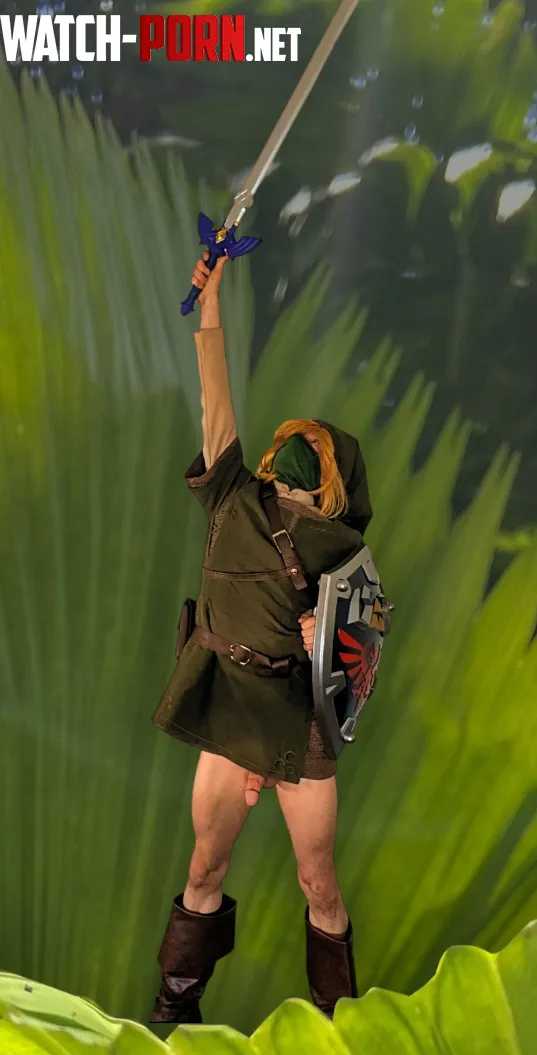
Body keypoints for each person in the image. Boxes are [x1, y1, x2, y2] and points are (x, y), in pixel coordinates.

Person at [150, 253, 374, 1025]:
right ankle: (175, 1010)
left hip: (299, 716)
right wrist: (210, 300)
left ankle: (340, 1023)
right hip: (232, 706)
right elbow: (214, 394)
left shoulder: (340, 549)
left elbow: (361, 645)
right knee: (204, 865)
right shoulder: (230, 495)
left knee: (319, 882)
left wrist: (325, 639)